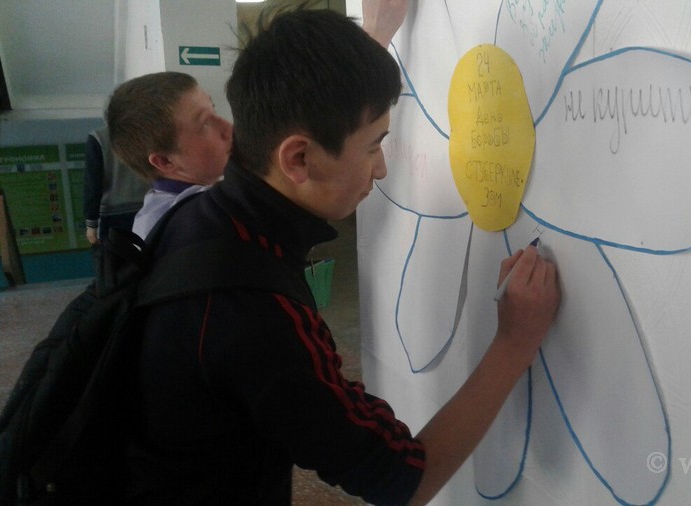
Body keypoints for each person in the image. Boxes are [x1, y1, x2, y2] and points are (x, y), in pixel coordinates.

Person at [125, 7, 560, 506]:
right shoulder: (253, 315)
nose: (381, 168)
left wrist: (374, 38)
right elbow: (401, 480)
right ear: (298, 158)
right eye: (373, 146)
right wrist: (514, 342)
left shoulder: (200, 215)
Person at [105, 71, 232, 239]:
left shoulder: (162, 210)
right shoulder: (200, 226)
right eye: (205, 124)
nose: (229, 128)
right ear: (164, 161)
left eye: (213, 109)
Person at [82, 125, 149, 244]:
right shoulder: (149, 133)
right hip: (148, 209)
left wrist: (91, 223)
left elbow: (93, 184)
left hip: (112, 215)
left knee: (114, 255)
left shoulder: (99, 137)